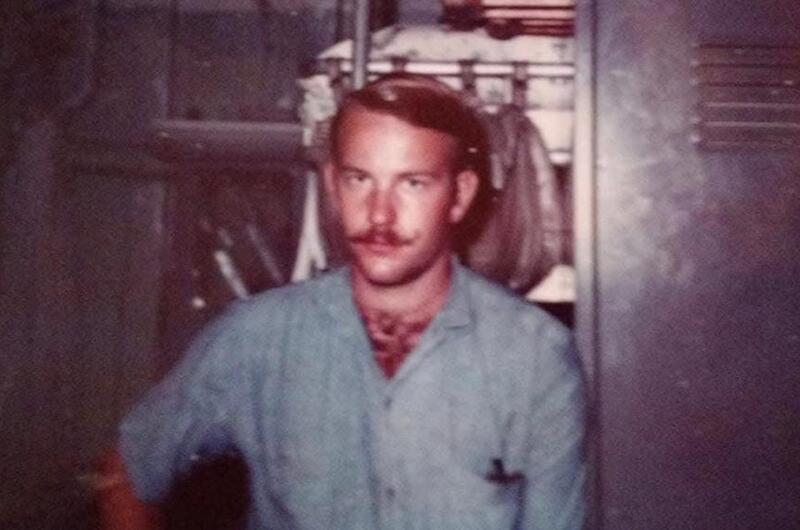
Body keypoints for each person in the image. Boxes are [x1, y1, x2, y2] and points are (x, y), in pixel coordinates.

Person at [99, 73, 585, 530]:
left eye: (412, 183)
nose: (379, 213)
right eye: (359, 179)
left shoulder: (535, 358)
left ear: (458, 196)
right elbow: (130, 472)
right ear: (332, 186)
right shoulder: (257, 337)